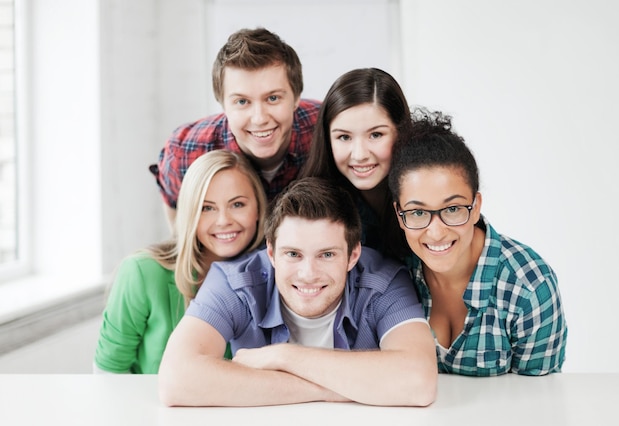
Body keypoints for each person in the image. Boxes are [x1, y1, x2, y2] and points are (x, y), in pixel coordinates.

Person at [158, 177, 438, 407]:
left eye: (326, 254)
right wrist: (335, 389)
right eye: (293, 254)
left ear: (353, 255)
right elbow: (176, 378)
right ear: (271, 252)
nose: (308, 274)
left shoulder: (384, 281)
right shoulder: (234, 283)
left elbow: (419, 381)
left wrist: (283, 356)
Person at [388, 108, 568, 376]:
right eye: (417, 212)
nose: (436, 232)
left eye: (452, 209)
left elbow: (540, 401)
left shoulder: (530, 287)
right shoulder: (394, 275)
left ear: (475, 207)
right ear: (399, 216)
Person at [94, 150, 267, 374]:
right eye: (207, 208)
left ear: (258, 209)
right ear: (189, 213)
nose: (224, 221)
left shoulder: (274, 276)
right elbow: (109, 373)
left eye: (237, 204)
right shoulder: (142, 272)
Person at [151, 27, 320, 231]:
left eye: (273, 98)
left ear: (296, 98)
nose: (259, 119)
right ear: (223, 105)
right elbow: (176, 212)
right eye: (242, 101)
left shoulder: (328, 129)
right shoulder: (185, 151)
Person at [299, 67, 410, 261]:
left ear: (400, 132)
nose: (359, 155)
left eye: (376, 135)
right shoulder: (312, 206)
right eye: (344, 137)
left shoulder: (426, 187)